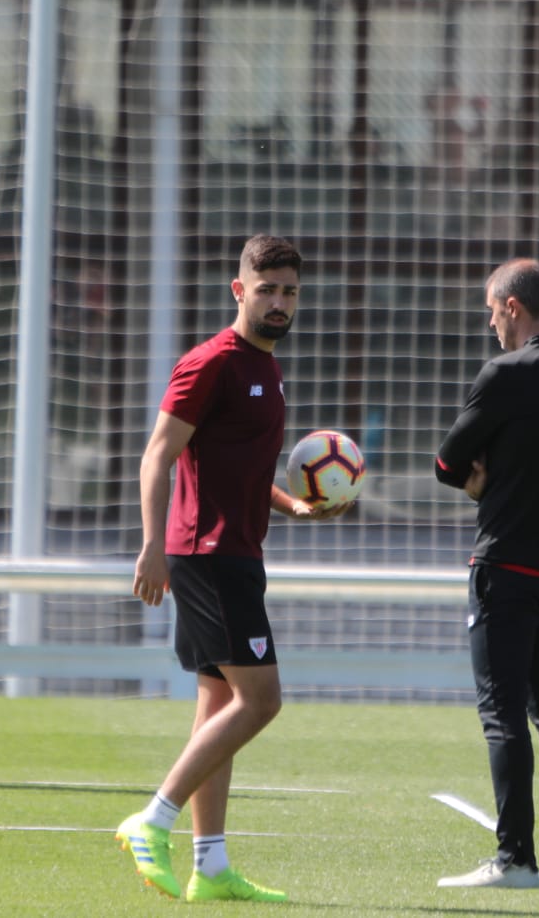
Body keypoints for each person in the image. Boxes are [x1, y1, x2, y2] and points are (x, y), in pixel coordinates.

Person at [115, 235, 349, 903]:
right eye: (267, 288)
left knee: (219, 703)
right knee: (262, 700)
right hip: (207, 555)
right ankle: (152, 820)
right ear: (238, 289)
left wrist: (292, 506)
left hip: (236, 551)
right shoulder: (211, 363)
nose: (279, 302)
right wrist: (151, 544)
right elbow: (158, 456)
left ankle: (210, 865)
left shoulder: (265, 367)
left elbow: (237, 467)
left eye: (290, 291)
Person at [433, 258, 539, 892]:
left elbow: (448, 462)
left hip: (504, 563)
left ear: (511, 306)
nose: (489, 323)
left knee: (502, 715)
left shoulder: (505, 372)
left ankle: (514, 860)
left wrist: (484, 478)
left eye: (490, 310)